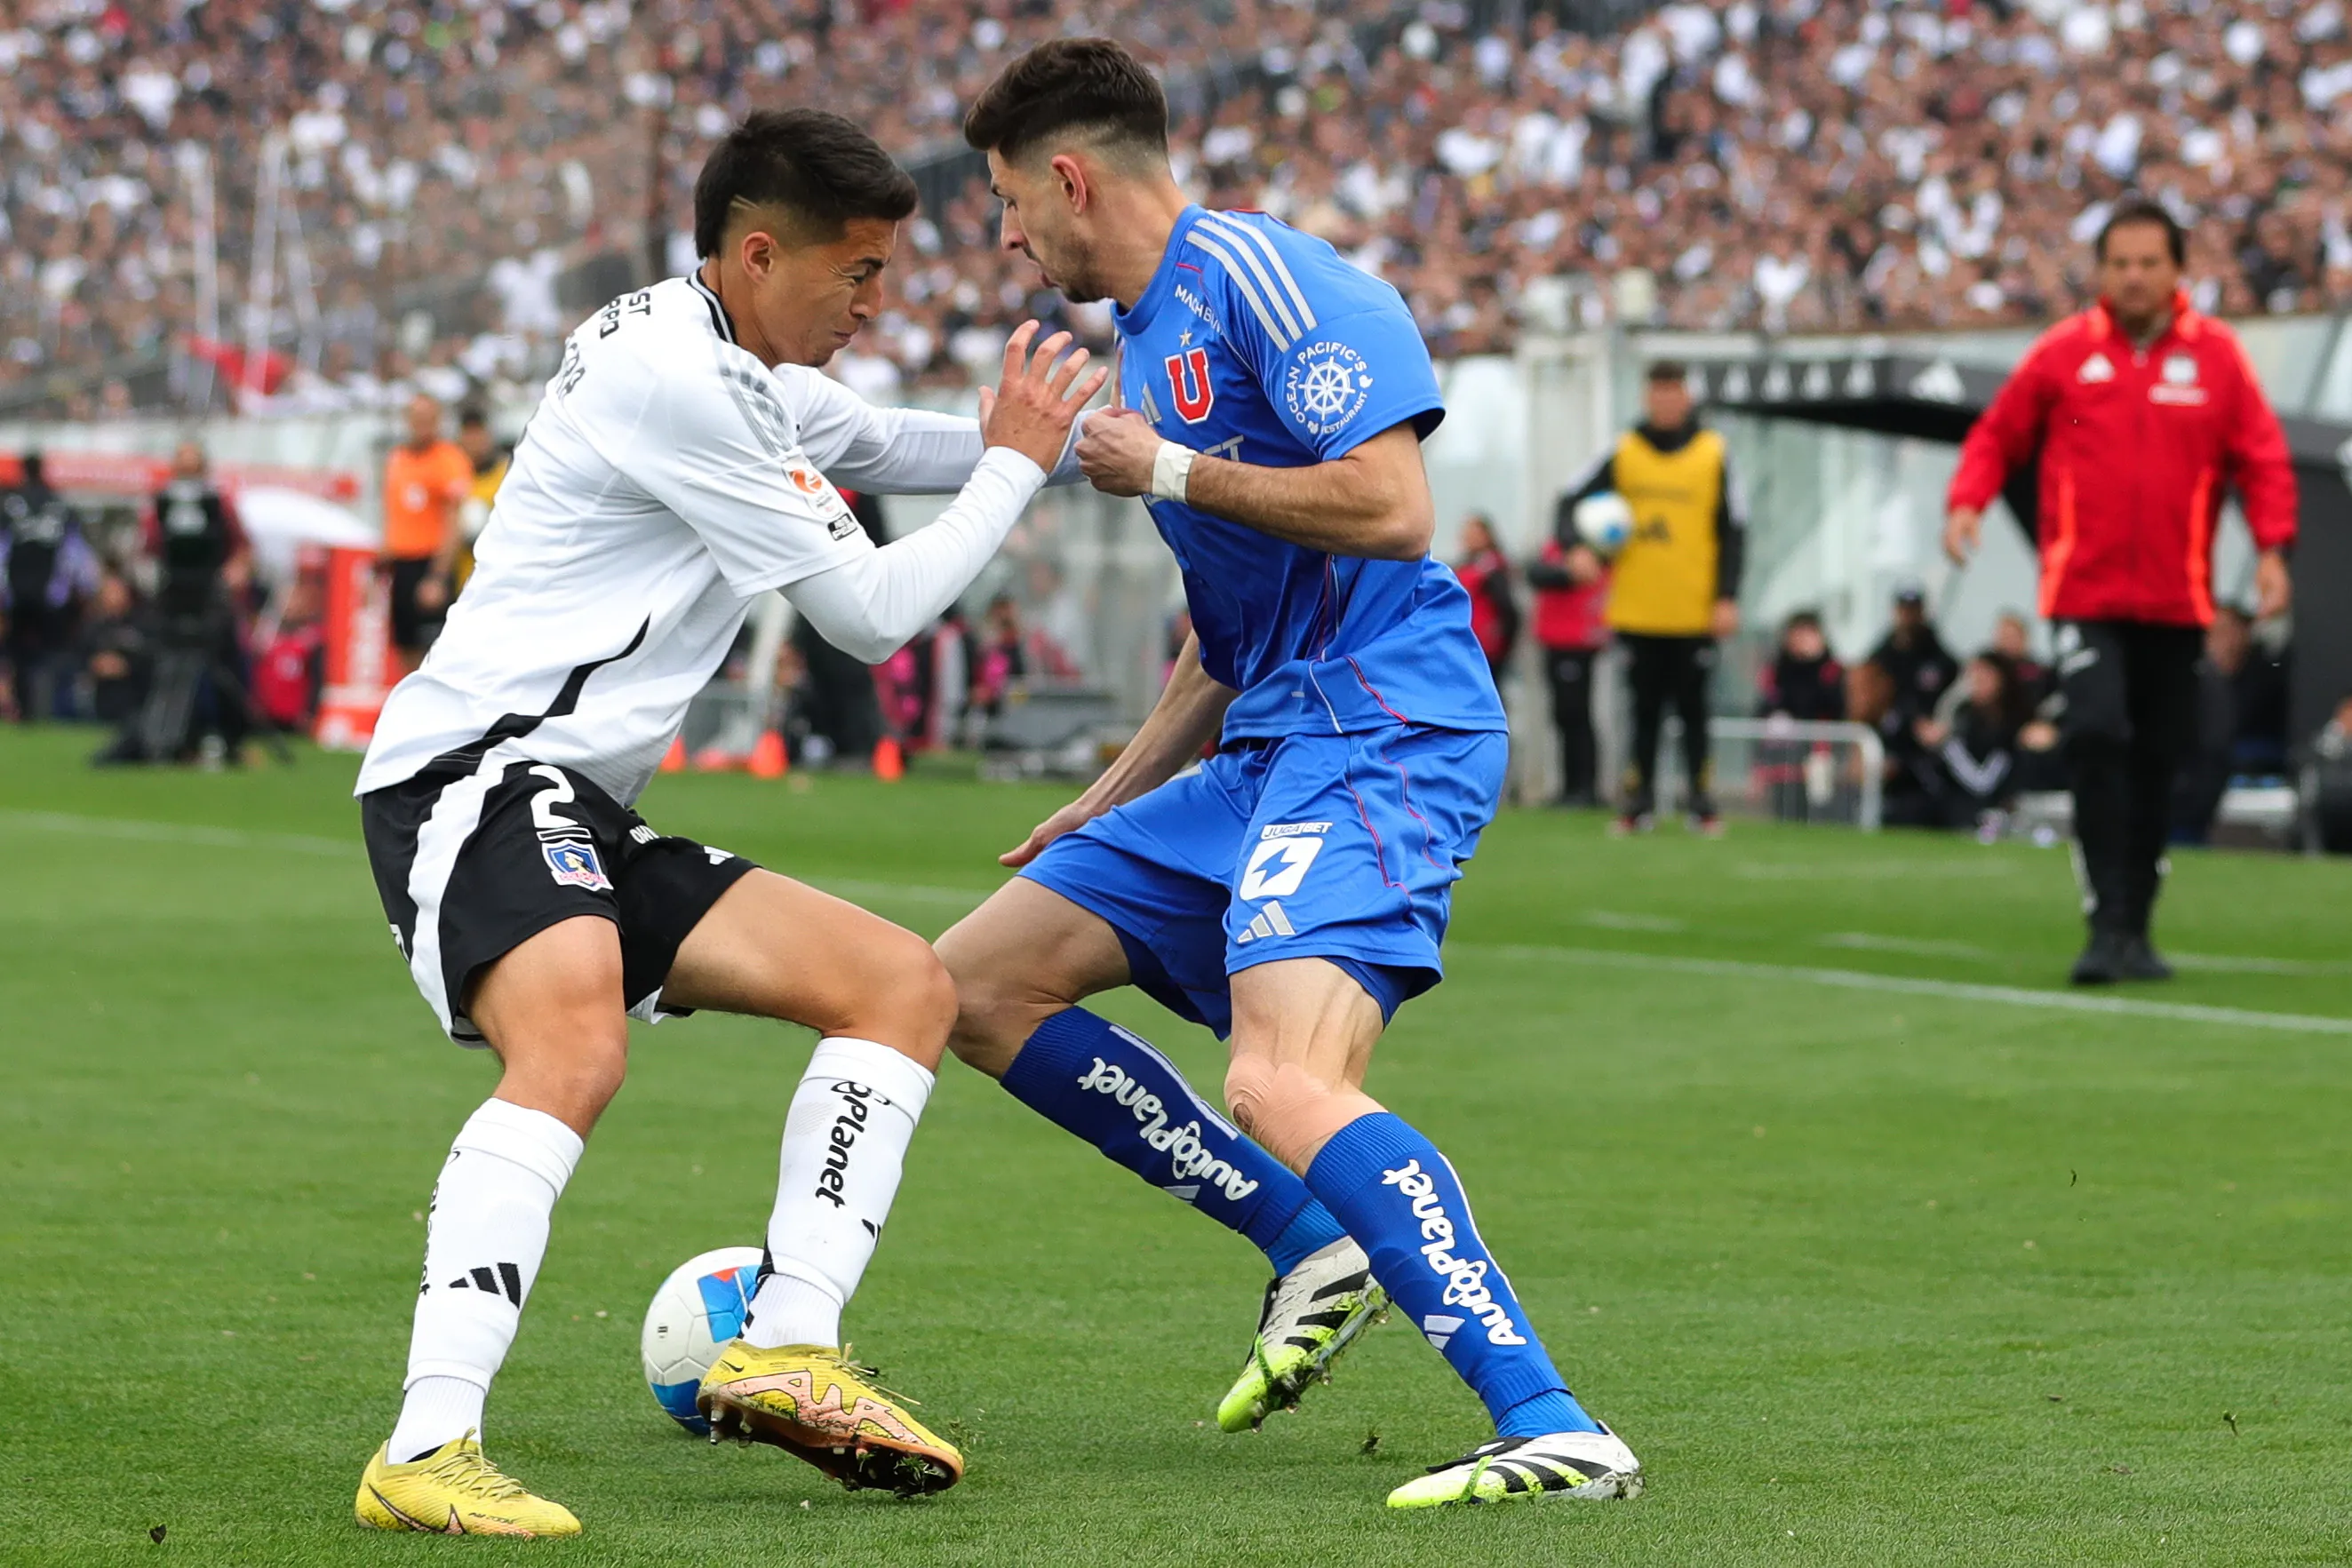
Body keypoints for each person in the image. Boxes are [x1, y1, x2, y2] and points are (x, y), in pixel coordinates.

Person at [348, 107, 1104, 1535]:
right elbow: (871, 617)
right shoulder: (673, 378)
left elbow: (882, 440)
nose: (876, 305)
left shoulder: (727, 353)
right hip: (477, 773)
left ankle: (788, 1346)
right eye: (858, 274)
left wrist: (1096, 439)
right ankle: (426, 1445)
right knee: (573, 1043)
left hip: (575, 798)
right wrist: (1015, 461)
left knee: (900, 984)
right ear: (760, 255)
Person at [944, 38, 1640, 1510]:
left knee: (1276, 1074)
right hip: (1262, 739)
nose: (1007, 237)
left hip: (1382, 724)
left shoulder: (1268, 278)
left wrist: (1174, 475)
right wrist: (1113, 794)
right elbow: (1225, 629)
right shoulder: (1149, 341)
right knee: (969, 989)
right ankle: (1306, 1242)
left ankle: (1551, 1422)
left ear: (1070, 177)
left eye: (1010, 202)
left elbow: (1391, 505)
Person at [1945, 195, 2296, 984]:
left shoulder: (2216, 357)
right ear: (2099, 272)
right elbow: (1999, 431)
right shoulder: (2064, 352)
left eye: (2147, 263)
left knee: (2158, 757)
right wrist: (1967, 497)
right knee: (2096, 732)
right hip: (2084, 592)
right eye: (2118, 264)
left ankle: (2135, 923)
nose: (2133, 278)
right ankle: (2105, 920)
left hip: (2178, 600)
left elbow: (2262, 458)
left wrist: (2272, 549)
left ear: (2177, 270)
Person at [1561, 360, 1745, 835]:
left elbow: (1734, 529)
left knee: (1694, 712)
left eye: (1674, 389)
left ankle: (1701, 803)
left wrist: (1727, 596)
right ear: (1647, 396)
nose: (1666, 400)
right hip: (1637, 608)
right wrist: (1576, 546)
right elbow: (1568, 500)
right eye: (1658, 390)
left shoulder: (1714, 452)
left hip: (1694, 609)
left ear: (1687, 396)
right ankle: (1637, 803)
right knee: (1642, 712)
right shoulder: (1623, 450)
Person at [379, 393, 475, 677]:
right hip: (401, 563)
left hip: (430, 563)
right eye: (416, 419)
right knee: (404, 643)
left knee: (433, 646)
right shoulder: (398, 458)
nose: (422, 425)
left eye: (428, 419)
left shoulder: (448, 459)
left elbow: (453, 521)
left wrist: (437, 576)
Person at [2, 452, 100, 720]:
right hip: (52, 596)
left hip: (17, 594)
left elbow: (2, 549)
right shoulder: (59, 505)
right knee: (51, 652)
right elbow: (76, 552)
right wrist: (88, 587)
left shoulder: (9, 504)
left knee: (18, 653)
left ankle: (26, 708)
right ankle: (49, 707)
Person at [1526, 498, 1610, 806]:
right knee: (1563, 715)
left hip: (1577, 641)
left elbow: (1577, 578)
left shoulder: (1598, 547)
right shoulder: (1558, 548)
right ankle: (1571, 786)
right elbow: (1535, 573)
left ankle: (1584, 787)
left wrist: (1567, 573)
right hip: (1555, 641)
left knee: (1577, 714)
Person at [1917, 652, 2026, 833]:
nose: (1976, 681)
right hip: (1953, 803)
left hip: (1991, 804)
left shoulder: (2011, 724)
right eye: (1974, 675)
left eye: (1984, 675)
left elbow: (1984, 782)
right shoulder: (1963, 715)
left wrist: (1947, 745)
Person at [1756, 609, 1845, 822]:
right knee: (1786, 809)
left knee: (1820, 809)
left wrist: (1811, 662)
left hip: (1820, 752)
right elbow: (1768, 706)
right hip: (1785, 755)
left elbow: (1833, 705)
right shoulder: (1778, 669)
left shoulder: (1831, 668)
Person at [1869, 585, 1958, 725]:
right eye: (1904, 610)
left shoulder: (1940, 659)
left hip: (1927, 737)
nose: (1908, 616)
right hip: (1887, 734)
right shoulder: (1880, 658)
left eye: (1913, 610)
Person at [1453, 513, 1520, 684]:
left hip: (1486, 647)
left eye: (1474, 534)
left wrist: (1505, 647)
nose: (1468, 538)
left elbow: (1508, 609)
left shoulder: (1491, 567)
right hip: (1465, 644)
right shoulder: (1466, 564)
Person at [451, 405, 510, 592]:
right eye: (468, 434)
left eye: (479, 434)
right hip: (464, 581)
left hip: (500, 579)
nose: (474, 441)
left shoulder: (507, 474)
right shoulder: (453, 477)